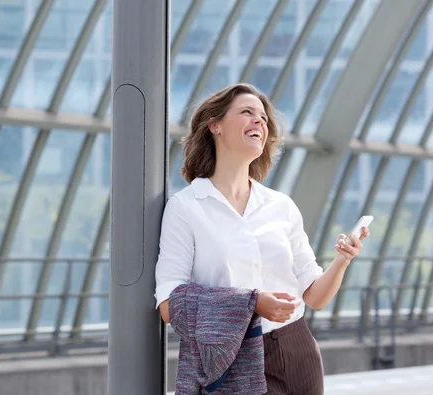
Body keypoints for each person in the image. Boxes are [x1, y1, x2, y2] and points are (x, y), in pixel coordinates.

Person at [155, 83, 370, 394]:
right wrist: (252, 303)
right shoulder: (185, 208)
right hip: (232, 357)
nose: (260, 121)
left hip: (298, 349)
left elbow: (315, 297)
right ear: (215, 125)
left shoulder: (280, 206)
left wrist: (342, 260)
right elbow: (168, 304)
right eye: (247, 113)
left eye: (263, 118)